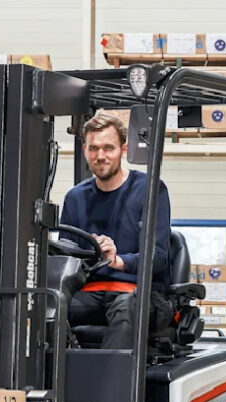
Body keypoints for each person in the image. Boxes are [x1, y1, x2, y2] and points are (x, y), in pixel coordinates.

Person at [59, 111, 172, 349]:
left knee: (126, 308)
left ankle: (111, 375)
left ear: (123, 149)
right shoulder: (75, 198)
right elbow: (65, 256)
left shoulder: (150, 190)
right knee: (48, 306)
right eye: (94, 148)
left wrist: (118, 261)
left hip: (139, 293)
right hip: (91, 292)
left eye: (108, 148)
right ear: (85, 150)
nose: (100, 156)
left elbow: (159, 257)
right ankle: (55, 371)